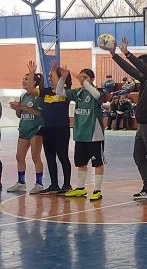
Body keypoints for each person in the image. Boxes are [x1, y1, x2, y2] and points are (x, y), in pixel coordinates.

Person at [109, 37, 147, 203]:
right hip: (142, 125)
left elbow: (138, 67)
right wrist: (115, 55)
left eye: (142, 66)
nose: (138, 69)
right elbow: (132, 70)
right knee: (138, 156)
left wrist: (127, 53)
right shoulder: (144, 80)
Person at [57, 65, 106, 201]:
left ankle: (97, 190)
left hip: (94, 134)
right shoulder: (77, 92)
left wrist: (84, 81)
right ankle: (80, 188)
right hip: (80, 134)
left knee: (97, 163)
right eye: (80, 77)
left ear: (92, 79)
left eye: (85, 77)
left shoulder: (98, 91)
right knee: (80, 162)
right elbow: (59, 92)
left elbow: (96, 94)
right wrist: (63, 78)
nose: (82, 80)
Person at [7, 62, 45, 194]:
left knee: (35, 156)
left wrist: (22, 107)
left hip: (36, 130)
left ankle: (39, 183)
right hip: (24, 129)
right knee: (19, 156)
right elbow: (20, 115)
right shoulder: (23, 96)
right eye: (23, 79)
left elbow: (40, 113)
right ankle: (21, 182)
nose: (24, 81)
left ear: (34, 82)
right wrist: (17, 109)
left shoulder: (39, 96)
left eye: (27, 79)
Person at [38, 66, 72, 195]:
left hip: (61, 128)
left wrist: (54, 72)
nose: (50, 79)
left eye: (52, 77)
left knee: (63, 156)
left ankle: (67, 185)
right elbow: (31, 90)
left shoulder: (65, 92)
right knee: (50, 157)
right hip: (48, 129)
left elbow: (59, 86)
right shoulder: (46, 91)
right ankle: (54, 184)